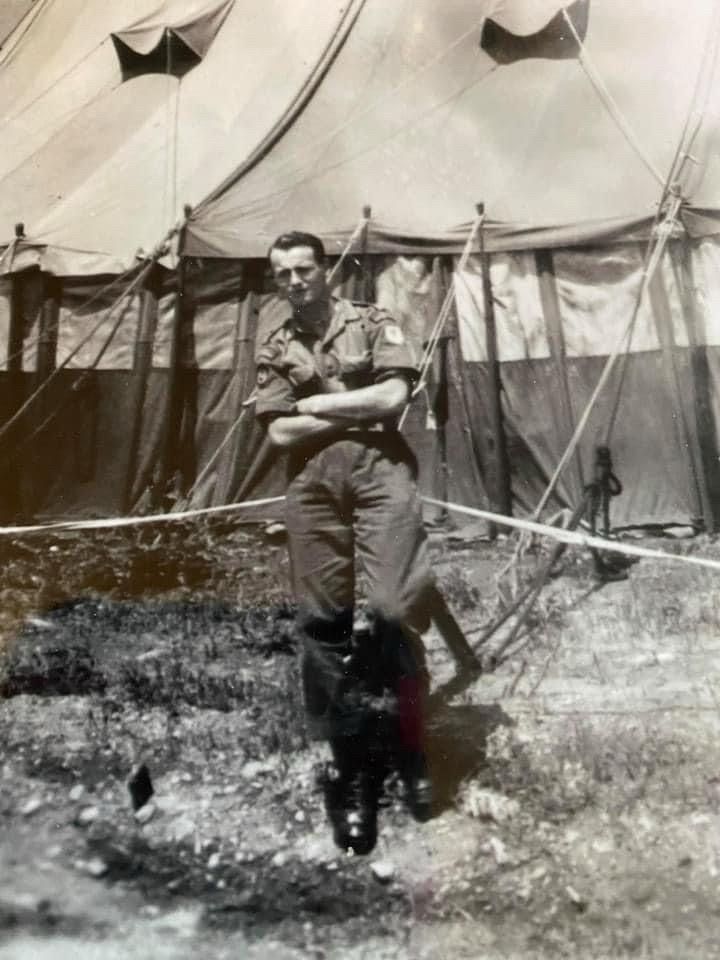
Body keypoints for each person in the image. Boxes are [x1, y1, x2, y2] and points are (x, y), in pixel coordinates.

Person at [254, 231, 434, 855]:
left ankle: (411, 747)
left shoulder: (373, 319)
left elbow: (395, 395)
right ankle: (351, 770)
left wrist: (322, 400)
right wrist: (357, 407)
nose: (295, 281)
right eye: (282, 274)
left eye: (304, 269)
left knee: (392, 608)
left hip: (381, 472)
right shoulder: (275, 341)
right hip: (311, 482)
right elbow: (277, 433)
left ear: (326, 270)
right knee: (323, 621)